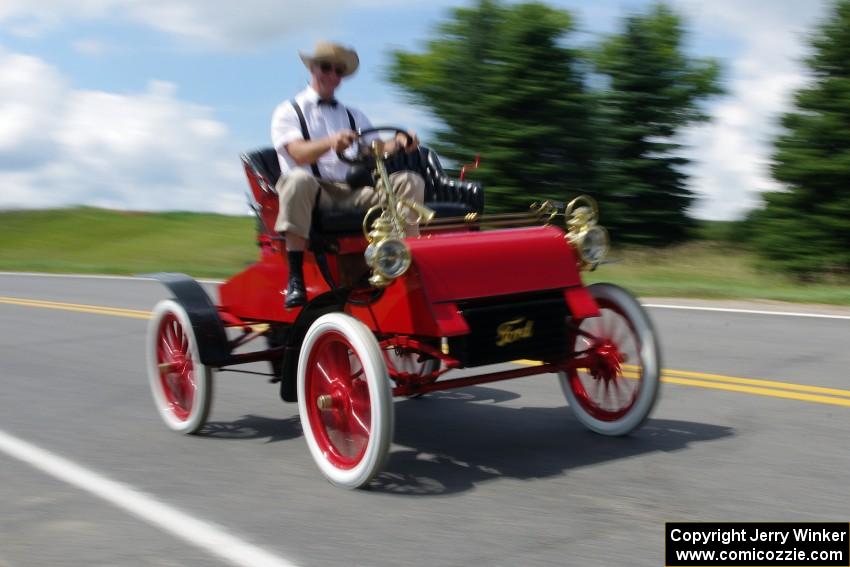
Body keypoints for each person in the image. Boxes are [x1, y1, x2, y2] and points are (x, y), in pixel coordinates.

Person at [271, 41, 426, 308]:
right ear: (312, 68)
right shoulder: (289, 111)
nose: (331, 75)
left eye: (338, 71)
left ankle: (406, 263)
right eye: (326, 68)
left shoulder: (354, 115)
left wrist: (400, 141)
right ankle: (295, 279)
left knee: (409, 180)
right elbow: (297, 153)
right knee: (297, 179)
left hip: (353, 191)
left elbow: (377, 148)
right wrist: (332, 142)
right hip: (316, 193)